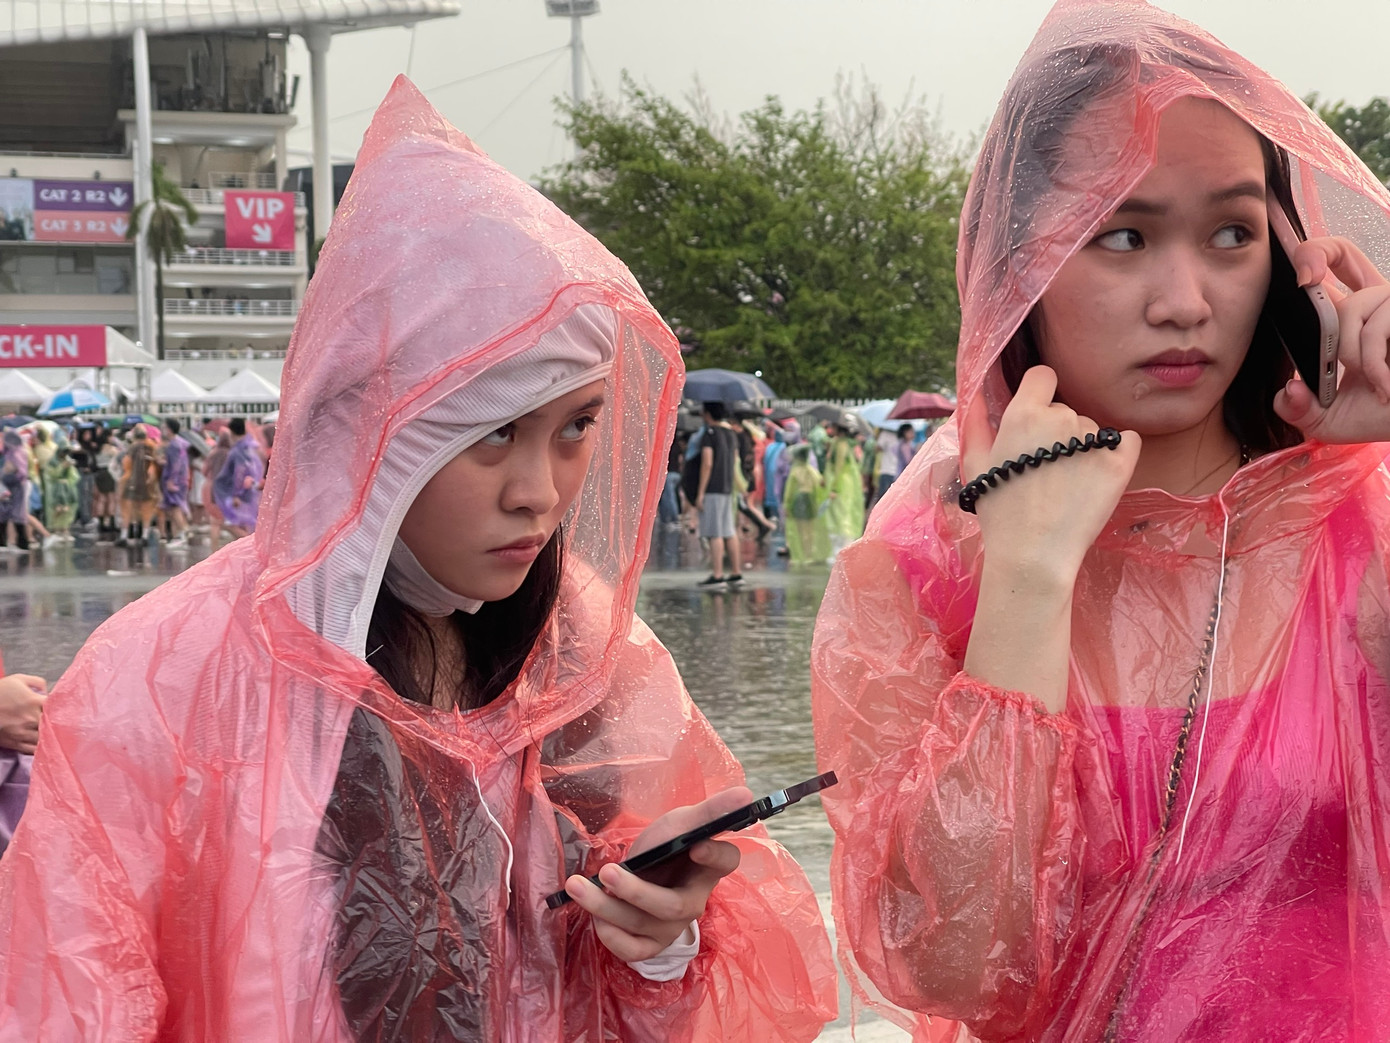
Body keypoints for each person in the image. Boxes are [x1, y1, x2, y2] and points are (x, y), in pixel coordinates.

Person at [0, 78, 836, 1040]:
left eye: (576, 428)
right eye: (492, 435)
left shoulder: (584, 651)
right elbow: (68, 1000)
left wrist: (657, 941)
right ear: (372, 431)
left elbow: (659, 1002)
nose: (539, 489)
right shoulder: (162, 678)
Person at [812, 3, 1390, 1040]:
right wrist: (1027, 584)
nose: (1185, 298)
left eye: (1230, 233)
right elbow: (953, 963)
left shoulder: (1361, 514)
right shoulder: (919, 566)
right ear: (1014, 266)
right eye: (1122, 235)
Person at [692, 401, 741, 587]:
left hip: (713, 487)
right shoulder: (731, 434)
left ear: (708, 414)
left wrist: (700, 493)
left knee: (715, 533)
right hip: (728, 487)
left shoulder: (709, 434)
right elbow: (735, 459)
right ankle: (736, 573)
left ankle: (718, 575)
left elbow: (707, 463)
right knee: (729, 531)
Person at [212, 416, 263, 538]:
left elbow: (239, 472)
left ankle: (251, 549)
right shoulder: (251, 446)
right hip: (249, 491)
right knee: (245, 525)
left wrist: (236, 494)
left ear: (232, 432)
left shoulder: (239, 450)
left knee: (232, 525)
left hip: (240, 494)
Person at [782, 444, 830, 566]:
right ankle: (809, 554)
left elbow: (789, 490)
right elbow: (820, 485)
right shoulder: (812, 471)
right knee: (809, 529)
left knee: (800, 529)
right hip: (810, 501)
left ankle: (802, 554)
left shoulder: (795, 471)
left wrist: (786, 504)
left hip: (798, 501)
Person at [822, 421, 864, 554]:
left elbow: (839, 467)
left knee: (841, 514)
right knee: (842, 513)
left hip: (842, 484)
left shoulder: (840, 444)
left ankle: (843, 547)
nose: (829, 429)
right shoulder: (840, 443)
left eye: (832, 426)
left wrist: (834, 488)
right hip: (844, 482)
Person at [118, 426, 160, 546]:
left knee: (127, 509)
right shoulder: (152, 447)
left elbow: (126, 464)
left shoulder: (132, 447)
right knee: (146, 509)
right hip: (148, 483)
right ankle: (145, 535)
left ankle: (124, 535)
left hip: (131, 482)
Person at [157, 417, 191, 547]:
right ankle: (179, 535)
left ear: (169, 429)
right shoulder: (180, 443)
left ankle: (183, 532)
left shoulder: (174, 445)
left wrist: (171, 480)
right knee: (173, 507)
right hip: (180, 480)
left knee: (175, 507)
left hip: (175, 480)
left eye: (164, 427)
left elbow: (176, 464)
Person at [0, 432, 29, 554]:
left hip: (16, 488)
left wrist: (12, 470)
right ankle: (3, 543)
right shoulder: (8, 453)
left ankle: (23, 544)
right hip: (6, 487)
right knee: (2, 514)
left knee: (17, 515)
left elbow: (22, 473)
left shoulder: (17, 453)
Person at [202, 428, 232, 546]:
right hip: (226, 488)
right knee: (227, 521)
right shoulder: (232, 454)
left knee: (214, 522)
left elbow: (204, 471)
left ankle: (214, 551)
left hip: (210, 487)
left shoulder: (213, 453)